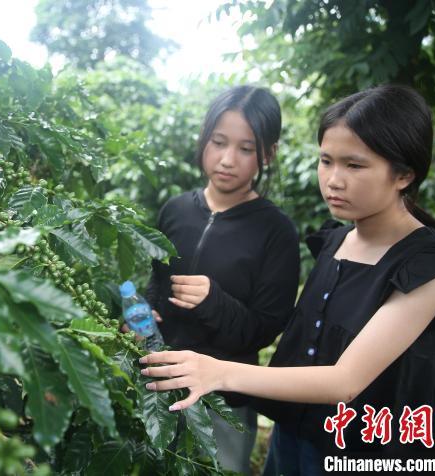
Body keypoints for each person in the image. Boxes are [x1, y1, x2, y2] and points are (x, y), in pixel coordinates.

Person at [139, 85, 435, 475]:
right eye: (326, 161)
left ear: (404, 174)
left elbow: (346, 381)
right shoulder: (334, 242)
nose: (334, 180)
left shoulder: (430, 266)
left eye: (354, 165)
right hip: (293, 441)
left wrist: (217, 370)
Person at [130, 85, 300, 475]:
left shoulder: (276, 232)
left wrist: (213, 302)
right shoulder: (175, 210)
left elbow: (263, 330)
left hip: (223, 403)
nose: (227, 160)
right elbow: (158, 283)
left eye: (245, 148)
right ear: (203, 140)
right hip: (156, 386)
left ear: (267, 154)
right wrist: (143, 313)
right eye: (218, 142)